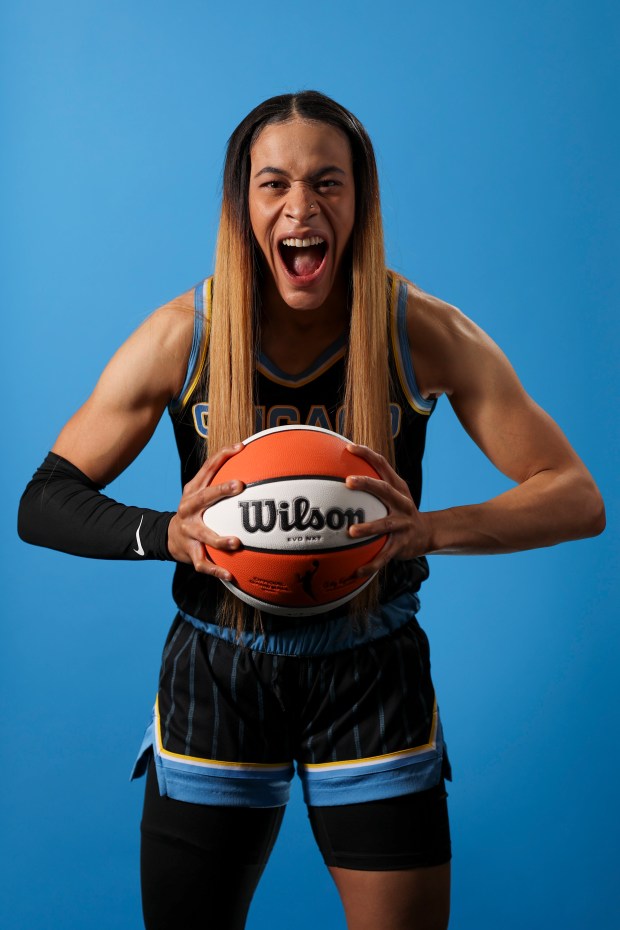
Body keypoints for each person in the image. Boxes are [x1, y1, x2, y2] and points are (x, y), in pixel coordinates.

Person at [18, 91, 605, 930]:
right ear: (242, 204)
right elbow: (44, 502)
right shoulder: (184, 335)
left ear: (360, 201)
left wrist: (430, 530)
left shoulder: (421, 332)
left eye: (328, 183)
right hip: (219, 665)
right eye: (274, 185)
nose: (302, 207)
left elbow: (576, 496)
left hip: (372, 665)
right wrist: (166, 534)